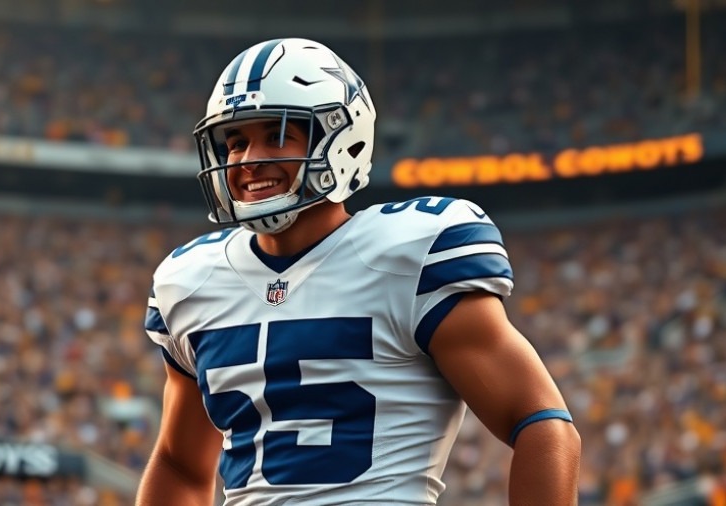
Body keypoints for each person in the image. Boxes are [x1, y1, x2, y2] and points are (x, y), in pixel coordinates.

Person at [137, 38, 581, 506]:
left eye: (276, 135)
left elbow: (541, 424)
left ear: (340, 140)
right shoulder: (192, 280)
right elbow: (180, 465)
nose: (248, 161)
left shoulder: (412, 253)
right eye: (236, 142)